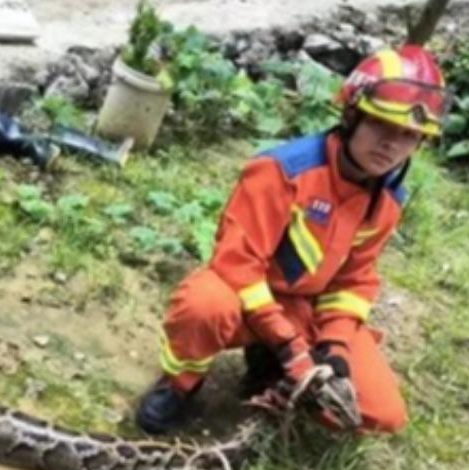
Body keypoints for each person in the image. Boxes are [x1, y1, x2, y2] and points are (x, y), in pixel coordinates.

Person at [135, 45, 452, 435]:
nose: (392, 145)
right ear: (351, 116)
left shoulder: (386, 200)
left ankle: (275, 378)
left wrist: (333, 350)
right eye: (382, 126)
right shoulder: (281, 171)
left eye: (409, 136)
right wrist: (290, 346)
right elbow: (239, 263)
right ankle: (180, 385)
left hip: (305, 308)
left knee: (381, 414)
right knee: (203, 306)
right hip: (246, 295)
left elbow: (354, 281)